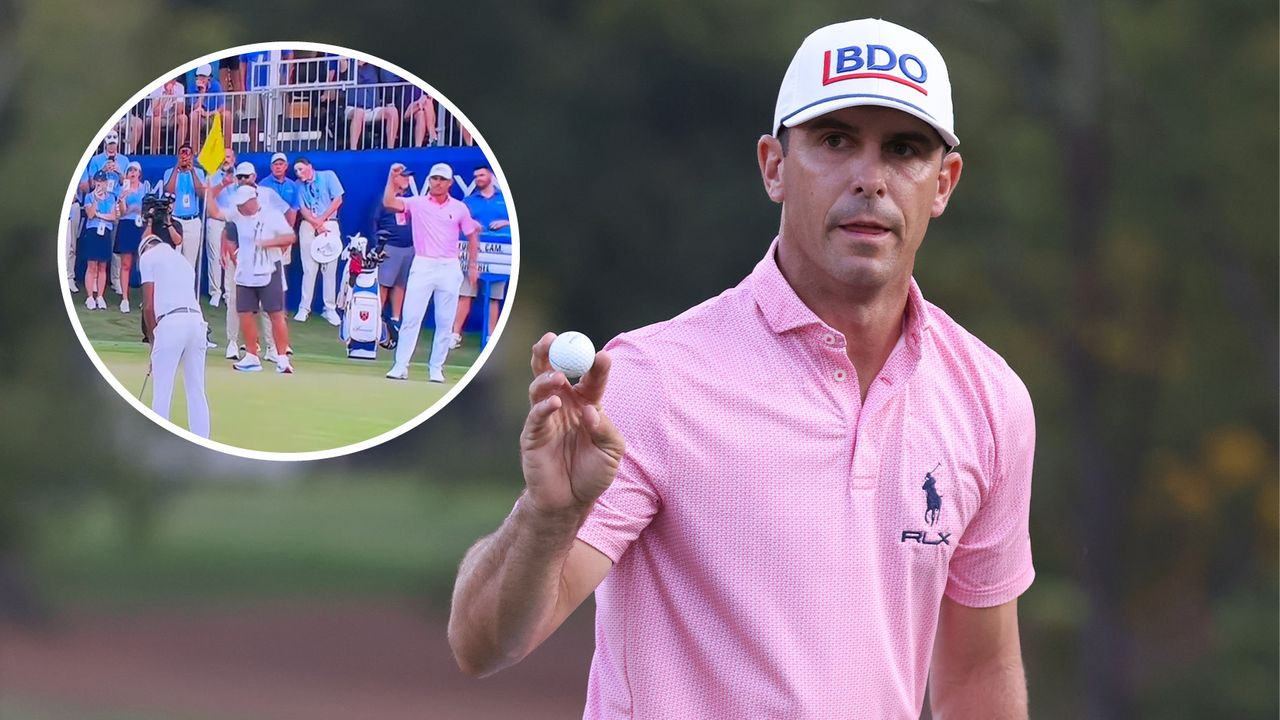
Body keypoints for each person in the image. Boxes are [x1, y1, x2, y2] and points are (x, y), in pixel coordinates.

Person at [448, 19, 1035, 720]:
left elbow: (979, 674)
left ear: (943, 183)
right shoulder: (652, 381)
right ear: (775, 167)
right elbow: (482, 642)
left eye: (903, 150)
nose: (870, 179)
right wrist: (547, 519)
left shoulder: (989, 399)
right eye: (835, 141)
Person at [381, 162, 479, 382]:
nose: (437, 182)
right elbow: (389, 202)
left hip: (449, 266)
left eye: (442, 179)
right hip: (423, 263)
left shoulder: (459, 208)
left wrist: (473, 265)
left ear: (450, 183)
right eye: (434, 178)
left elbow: (472, 234)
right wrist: (391, 178)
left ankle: (436, 367)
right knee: (411, 317)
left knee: (445, 321)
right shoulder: (417, 203)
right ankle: (400, 365)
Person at [208, 163, 288, 363]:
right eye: (239, 176)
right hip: (241, 260)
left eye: (246, 176)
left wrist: (276, 247)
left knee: (272, 310)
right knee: (238, 304)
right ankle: (238, 346)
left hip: (268, 263)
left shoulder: (268, 195)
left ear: (254, 175)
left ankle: (275, 350)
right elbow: (220, 218)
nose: (243, 179)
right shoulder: (235, 197)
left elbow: (286, 224)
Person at [138, 232, 210, 438]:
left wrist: (153, 343)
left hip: (171, 323)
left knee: (162, 389)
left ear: (144, 248)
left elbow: (149, 307)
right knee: (196, 390)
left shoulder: (147, 257)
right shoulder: (183, 261)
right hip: (197, 323)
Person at [218, 185, 295, 374]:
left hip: (270, 268)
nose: (240, 208)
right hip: (245, 270)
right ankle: (252, 356)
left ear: (253, 201)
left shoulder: (272, 215)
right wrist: (212, 186)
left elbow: (290, 237)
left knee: (276, 313)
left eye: (243, 204)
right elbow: (214, 212)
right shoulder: (237, 214)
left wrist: (267, 243)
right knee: (245, 312)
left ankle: (282, 359)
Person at [451, 165, 510, 347]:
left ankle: (491, 336)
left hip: (499, 256)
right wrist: (471, 223)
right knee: (465, 294)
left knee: (493, 297)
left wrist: (505, 222)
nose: (478, 178)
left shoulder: (505, 200)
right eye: (476, 176)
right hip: (472, 254)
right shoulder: (468, 201)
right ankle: (454, 335)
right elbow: (458, 221)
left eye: (482, 175)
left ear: (490, 176)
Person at [369, 162, 416, 349]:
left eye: (407, 177)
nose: (406, 179)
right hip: (390, 246)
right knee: (384, 283)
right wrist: (377, 245)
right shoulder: (383, 198)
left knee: (401, 284)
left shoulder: (411, 200)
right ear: (394, 178)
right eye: (402, 176)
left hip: (408, 248)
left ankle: (396, 318)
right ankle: (376, 317)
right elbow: (374, 221)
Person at [293, 157, 344, 325]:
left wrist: (322, 220)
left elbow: (338, 200)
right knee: (309, 268)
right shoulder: (298, 185)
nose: (299, 173)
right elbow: (303, 209)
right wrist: (316, 223)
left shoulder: (328, 176)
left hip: (329, 221)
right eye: (296, 171)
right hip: (309, 224)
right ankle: (304, 307)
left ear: (310, 167)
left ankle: (329, 308)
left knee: (330, 268)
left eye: (301, 169)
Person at [161, 143, 205, 273]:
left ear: (192, 156)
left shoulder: (199, 172)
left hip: (192, 220)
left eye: (188, 154)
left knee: (190, 263)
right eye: (182, 153)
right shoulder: (169, 172)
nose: (185, 156)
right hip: (175, 220)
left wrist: (192, 171)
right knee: (173, 260)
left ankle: (188, 292)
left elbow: (201, 194)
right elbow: (168, 192)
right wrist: (177, 168)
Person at [113, 162, 148, 313]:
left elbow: (148, 209)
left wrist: (140, 210)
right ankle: (125, 299)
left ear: (139, 173)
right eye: (130, 170)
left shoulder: (145, 188)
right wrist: (122, 200)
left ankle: (146, 299)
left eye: (135, 170)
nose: (132, 173)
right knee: (126, 264)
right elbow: (122, 213)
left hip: (141, 226)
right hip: (127, 225)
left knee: (144, 264)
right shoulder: (123, 190)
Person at [80, 172, 118, 310]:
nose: (100, 184)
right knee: (91, 266)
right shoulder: (90, 197)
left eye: (103, 181)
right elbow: (90, 214)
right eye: (98, 181)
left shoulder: (111, 197)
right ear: (95, 182)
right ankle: (90, 297)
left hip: (105, 232)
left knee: (102, 266)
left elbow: (113, 216)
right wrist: (96, 200)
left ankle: (100, 296)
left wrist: (99, 215)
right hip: (92, 231)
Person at [345, 60, 399, 149]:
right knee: (359, 112)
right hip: (353, 107)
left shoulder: (374, 65)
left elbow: (388, 77)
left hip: (373, 109)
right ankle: (353, 150)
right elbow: (342, 66)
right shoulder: (350, 63)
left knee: (393, 111)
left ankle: (390, 149)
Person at [187, 64, 232, 150]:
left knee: (227, 115)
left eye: (203, 77)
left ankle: (227, 151)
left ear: (209, 78)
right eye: (199, 76)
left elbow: (222, 106)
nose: (201, 79)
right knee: (194, 115)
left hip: (214, 114)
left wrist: (209, 114)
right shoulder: (192, 88)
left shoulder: (216, 85)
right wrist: (202, 93)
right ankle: (195, 151)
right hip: (201, 116)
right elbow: (195, 107)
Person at [147, 76, 187, 153]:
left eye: (175, 79)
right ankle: (154, 153)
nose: (173, 82)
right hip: (154, 116)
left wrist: (174, 97)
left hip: (172, 115)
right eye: (172, 79)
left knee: (183, 118)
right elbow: (156, 112)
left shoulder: (179, 87)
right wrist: (167, 95)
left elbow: (179, 111)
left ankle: (179, 151)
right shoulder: (156, 87)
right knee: (157, 120)